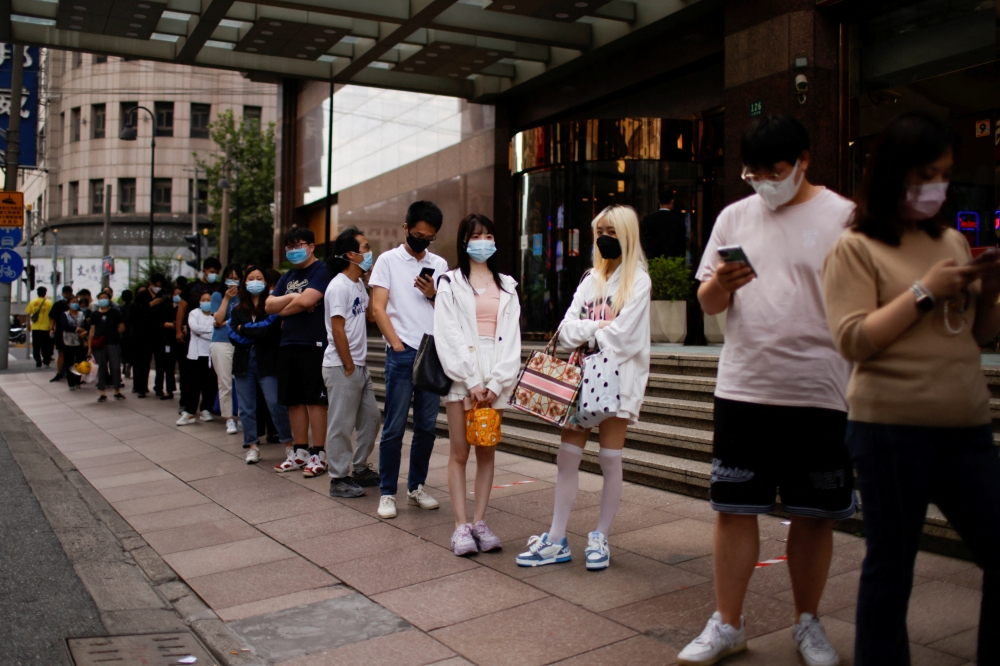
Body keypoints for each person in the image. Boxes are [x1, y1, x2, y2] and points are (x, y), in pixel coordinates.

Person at [822, 112, 1000, 666]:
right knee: (891, 564)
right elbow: (853, 339)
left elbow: (976, 334)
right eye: (927, 173)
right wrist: (924, 291)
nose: (937, 187)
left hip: (965, 426)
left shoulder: (949, 238)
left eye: (945, 174)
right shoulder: (854, 247)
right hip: (890, 430)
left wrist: (989, 293)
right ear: (896, 173)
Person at [677, 115, 855, 666]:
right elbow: (708, 305)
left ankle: (808, 623)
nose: (763, 183)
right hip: (745, 386)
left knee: (813, 515)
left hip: (820, 388)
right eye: (752, 173)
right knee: (733, 509)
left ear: (803, 160)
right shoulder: (735, 216)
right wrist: (718, 286)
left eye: (773, 172)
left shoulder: (844, 216)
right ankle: (728, 623)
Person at [516, 204, 651, 572]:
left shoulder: (638, 280)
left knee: (610, 460)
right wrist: (598, 329)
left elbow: (625, 339)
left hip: (618, 381)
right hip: (581, 380)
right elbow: (564, 332)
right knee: (566, 459)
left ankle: (600, 536)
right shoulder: (591, 279)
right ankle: (556, 539)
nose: (605, 238)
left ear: (627, 235)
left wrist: (589, 331)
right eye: (600, 232)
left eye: (611, 231)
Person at [435, 214, 521, 556]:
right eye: (476, 235)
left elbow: (512, 337)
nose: (482, 241)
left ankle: (480, 522)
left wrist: (497, 381)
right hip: (461, 377)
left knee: (487, 450)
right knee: (460, 451)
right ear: (464, 241)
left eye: (488, 234)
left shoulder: (508, 285)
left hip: (495, 375)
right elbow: (447, 333)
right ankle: (460, 525)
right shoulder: (450, 282)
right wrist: (471, 379)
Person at [369, 200, 449, 519]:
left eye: (429, 238)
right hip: (402, 351)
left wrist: (432, 294)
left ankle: (416, 487)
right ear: (406, 228)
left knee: (427, 427)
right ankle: (388, 492)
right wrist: (397, 345)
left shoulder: (440, 265)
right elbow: (378, 308)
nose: (422, 242)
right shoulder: (388, 260)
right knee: (394, 426)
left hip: (432, 352)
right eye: (418, 234)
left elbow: (448, 310)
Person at [265, 228, 332, 477]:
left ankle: (319, 453)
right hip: (288, 343)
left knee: (314, 399)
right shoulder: (288, 276)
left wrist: (285, 307)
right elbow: (268, 305)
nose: (294, 250)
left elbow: (308, 301)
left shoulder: (321, 270)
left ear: (312, 246)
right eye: (290, 246)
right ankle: (300, 451)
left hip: (313, 343)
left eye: (299, 245)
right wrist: (294, 296)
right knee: (293, 400)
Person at [321, 227, 382, 498]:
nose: (370, 253)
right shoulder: (338, 286)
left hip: (359, 364)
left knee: (371, 418)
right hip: (341, 365)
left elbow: (369, 318)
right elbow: (337, 330)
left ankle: (359, 468)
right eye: (365, 248)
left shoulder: (358, 284)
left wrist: (371, 284)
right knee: (341, 425)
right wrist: (348, 365)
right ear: (350, 254)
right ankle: (338, 478)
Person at [230, 265, 293, 464]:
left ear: (265, 282)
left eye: (259, 277)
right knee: (246, 408)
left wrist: (244, 329)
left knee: (276, 404)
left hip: (268, 362)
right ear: (244, 282)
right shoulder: (237, 309)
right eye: (250, 278)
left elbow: (268, 329)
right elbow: (232, 335)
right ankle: (252, 446)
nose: (255, 281)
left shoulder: (272, 305)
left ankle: (290, 445)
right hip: (243, 363)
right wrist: (252, 332)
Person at [177, 259, 221, 415]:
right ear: (204, 270)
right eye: (211, 271)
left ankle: (207, 406)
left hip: (214, 338)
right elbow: (181, 309)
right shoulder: (192, 287)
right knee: (190, 374)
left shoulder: (219, 288)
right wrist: (178, 330)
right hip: (193, 338)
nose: (214, 275)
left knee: (211, 376)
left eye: (217, 272)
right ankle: (186, 405)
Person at [177, 291, 218, 425]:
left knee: (210, 384)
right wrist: (210, 330)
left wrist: (204, 332)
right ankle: (190, 412)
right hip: (195, 355)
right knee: (193, 384)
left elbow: (215, 333)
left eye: (209, 299)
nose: (206, 302)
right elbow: (194, 328)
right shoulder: (194, 313)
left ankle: (206, 409)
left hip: (210, 355)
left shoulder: (216, 315)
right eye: (203, 299)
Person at [211, 264, 242, 435]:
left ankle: (244, 417)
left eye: (236, 277)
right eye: (230, 277)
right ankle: (229, 419)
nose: (233, 280)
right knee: (225, 382)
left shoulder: (244, 296)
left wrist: (227, 323)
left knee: (243, 381)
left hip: (240, 342)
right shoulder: (217, 295)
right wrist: (225, 299)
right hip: (221, 342)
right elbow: (218, 320)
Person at [132, 275, 167, 398]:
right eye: (156, 285)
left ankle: (159, 387)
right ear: (151, 283)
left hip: (159, 333)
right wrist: (152, 303)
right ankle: (141, 388)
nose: (158, 288)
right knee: (144, 362)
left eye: (160, 286)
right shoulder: (141, 296)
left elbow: (165, 313)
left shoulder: (163, 296)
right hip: (144, 334)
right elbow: (137, 312)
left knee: (160, 363)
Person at [88, 292, 126, 402]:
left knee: (115, 366)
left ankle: (117, 390)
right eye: (101, 298)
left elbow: (122, 327)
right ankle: (102, 392)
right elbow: (92, 330)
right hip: (99, 344)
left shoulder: (115, 312)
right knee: (101, 368)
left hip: (113, 343)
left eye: (105, 298)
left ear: (109, 300)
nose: (103, 300)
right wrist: (90, 347)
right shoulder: (95, 314)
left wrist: (114, 334)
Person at [639, 188, 687, 260]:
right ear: (672, 201)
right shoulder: (678, 220)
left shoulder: (648, 220)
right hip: (673, 263)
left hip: (654, 262)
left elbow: (645, 243)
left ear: (658, 201)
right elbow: (681, 245)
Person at [153, 286, 181, 400]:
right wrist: (169, 325)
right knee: (167, 366)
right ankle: (167, 389)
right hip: (168, 339)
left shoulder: (185, 308)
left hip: (182, 340)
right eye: (176, 294)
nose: (178, 296)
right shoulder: (167, 307)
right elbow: (160, 322)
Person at [49, 285, 75, 382]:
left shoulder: (75, 304)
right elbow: (52, 317)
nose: (67, 295)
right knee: (61, 353)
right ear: (63, 293)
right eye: (65, 293)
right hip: (60, 331)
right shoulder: (58, 304)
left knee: (73, 354)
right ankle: (59, 373)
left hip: (74, 332)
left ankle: (72, 373)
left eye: (69, 293)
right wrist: (51, 329)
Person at [61, 295, 87, 391]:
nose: (75, 304)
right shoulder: (65, 314)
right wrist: (77, 329)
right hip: (68, 342)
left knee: (80, 362)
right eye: (73, 302)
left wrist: (84, 332)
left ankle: (77, 381)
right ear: (68, 304)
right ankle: (71, 383)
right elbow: (65, 326)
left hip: (80, 342)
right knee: (69, 363)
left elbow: (86, 325)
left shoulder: (81, 314)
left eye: (77, 302)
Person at [26, 286, 54, 368]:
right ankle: (46, 361)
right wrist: (52, 327)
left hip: (35, 328)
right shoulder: (49, 303)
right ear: (45, 293)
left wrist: (28, 325)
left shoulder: (32, 302)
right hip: (46, 328)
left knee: (36, 346)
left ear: (37, 293)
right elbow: (52, 316)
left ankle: (38, 361)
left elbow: (28, 314)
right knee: (46, 346)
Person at [119, 289, 134, 379]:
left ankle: (125, 364)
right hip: (132, 332)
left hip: (124, 333)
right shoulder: (134, 307)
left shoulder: (121, 309)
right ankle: (130, 364)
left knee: (124, 351)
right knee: (131, 351)